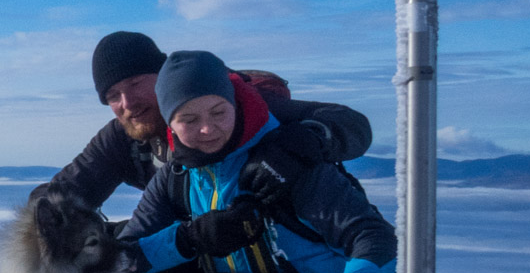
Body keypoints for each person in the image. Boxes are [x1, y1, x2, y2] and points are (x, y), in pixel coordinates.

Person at [119, 50, 430, 273]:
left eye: (218, 112)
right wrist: (189, 239)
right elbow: (122, 260)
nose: (207, 129)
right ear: (169, 122)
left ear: (235, 104)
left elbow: (370, 233)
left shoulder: (285, 161)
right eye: (189, 120)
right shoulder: (176, 178)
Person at [47, 31, 373, 211]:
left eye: (135, 84)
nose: (127, 104)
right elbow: (62, 193)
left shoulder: (234, 108)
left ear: (164, 78)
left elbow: (351, 122)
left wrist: (300, 143)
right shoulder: (122, 138)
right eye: (113, 96)